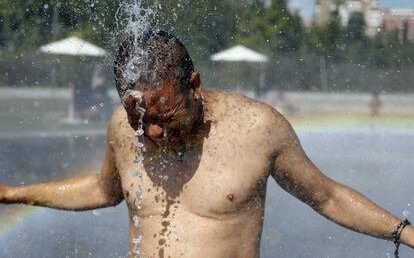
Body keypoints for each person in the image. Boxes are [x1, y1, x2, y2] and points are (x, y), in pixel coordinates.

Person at [0, 31, 413, 258]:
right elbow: (103, 189)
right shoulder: (124, 128)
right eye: (140, 121)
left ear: (194, 85)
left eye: (164, 116)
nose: (153, 133)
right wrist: (12, 194)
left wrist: (406, 234)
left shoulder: (257, 127)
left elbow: (327, 197)